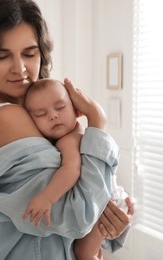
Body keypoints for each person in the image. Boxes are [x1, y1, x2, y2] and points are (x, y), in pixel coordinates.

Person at [0, 0, 134, 259]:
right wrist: (97, 122)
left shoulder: (34, 110)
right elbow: (77, 217)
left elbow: (76, 217)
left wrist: (108, 221)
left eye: (29, 54)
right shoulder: (7, 117)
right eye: (2, 56)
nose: (20, 69)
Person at [23, 78, 130, 260]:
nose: (53, 116)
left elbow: (71, 170)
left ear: (77, 109)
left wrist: (47, 197)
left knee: (84, 253)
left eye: (60, 107)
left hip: (105, 203)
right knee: (93, 251)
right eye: (41, 114)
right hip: (112, 195)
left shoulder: (69, 140)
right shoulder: (79, 133)